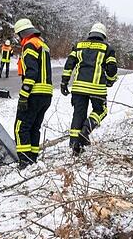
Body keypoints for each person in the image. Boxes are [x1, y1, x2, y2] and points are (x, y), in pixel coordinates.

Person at [61, 22, 117, 155]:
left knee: (78, 113)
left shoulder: (79, 46)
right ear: (103, 35)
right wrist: (110, 81)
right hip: (97, 88)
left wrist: (64, 82)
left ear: (90, 33)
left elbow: (69, 64)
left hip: (79, 87)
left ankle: (75, 144)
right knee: (101, 110)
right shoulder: (107, 48)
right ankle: (86, 131)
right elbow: (112, 69)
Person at [12, 18, 52, 168]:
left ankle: (24, 162)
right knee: (35, 127)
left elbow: (32, 73)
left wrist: (24, 95)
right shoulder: (43, 44)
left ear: (22, 33)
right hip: (46, 94)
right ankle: (33, 159)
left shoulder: (29, 45)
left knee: (21, 127)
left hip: (34, 93)